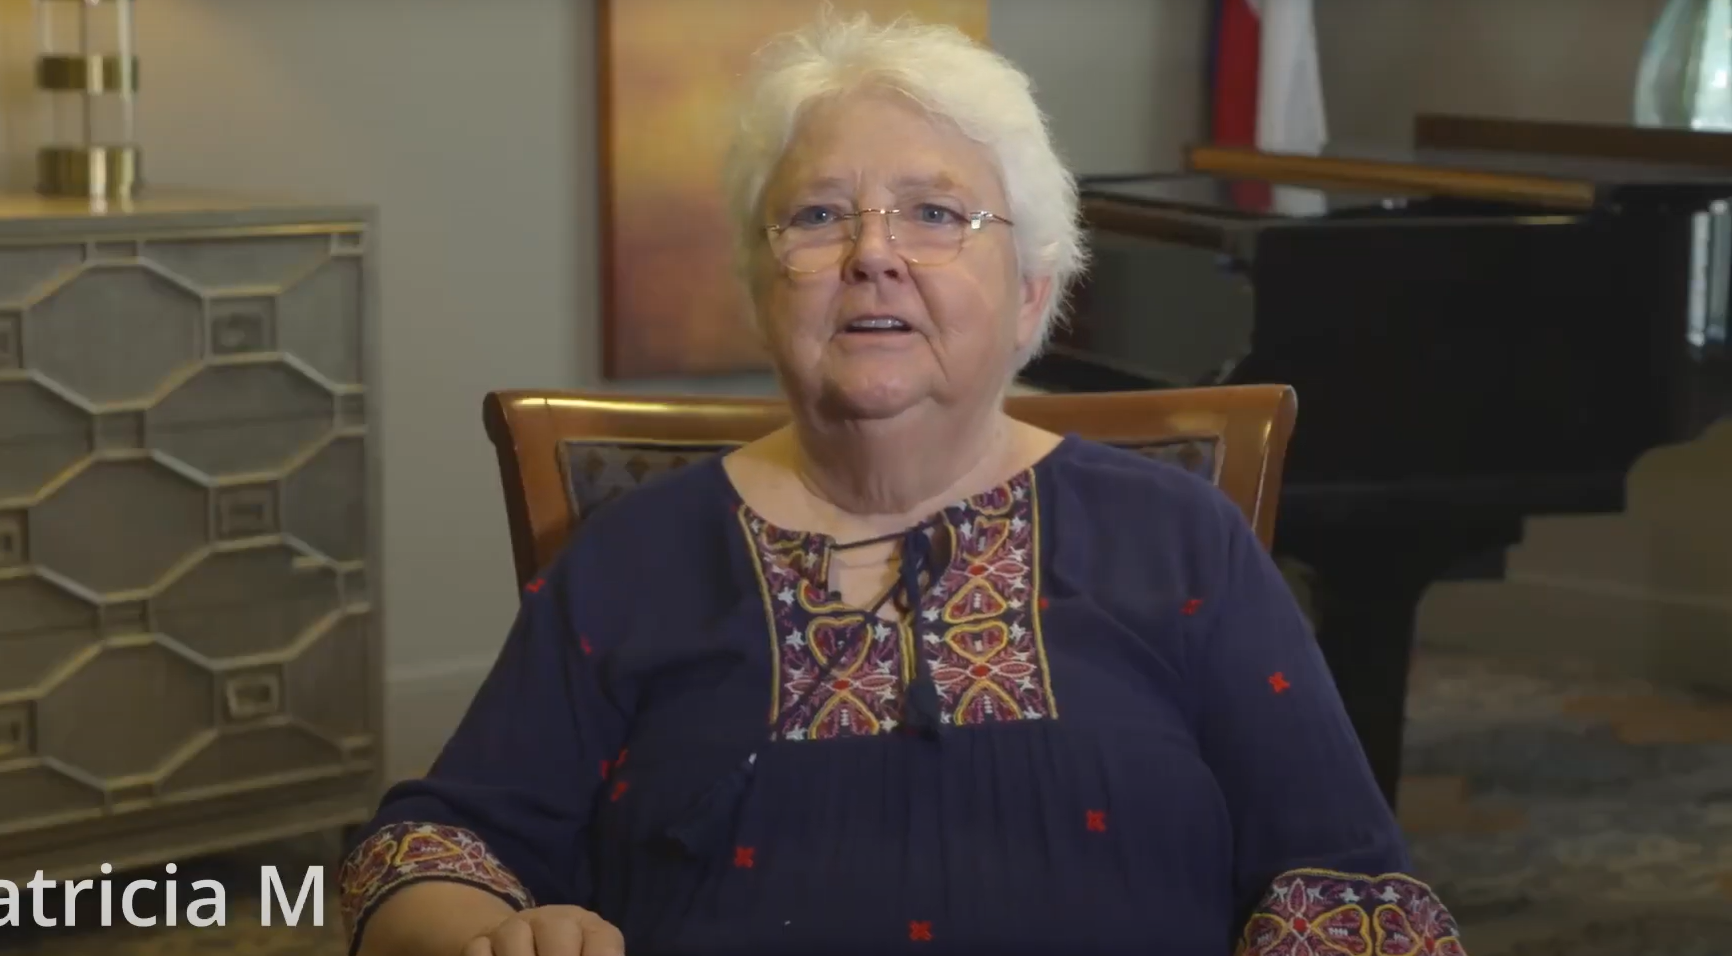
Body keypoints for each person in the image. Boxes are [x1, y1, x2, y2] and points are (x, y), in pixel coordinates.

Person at [339, 11, 1465, 956]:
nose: (873, 252)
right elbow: (424, 853)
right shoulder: (633, 555)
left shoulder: (1181, 540)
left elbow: (1349, 890)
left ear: (1032, 293)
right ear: (762, 286)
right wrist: (497, 937)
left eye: (935, 213)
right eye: (819, 215)